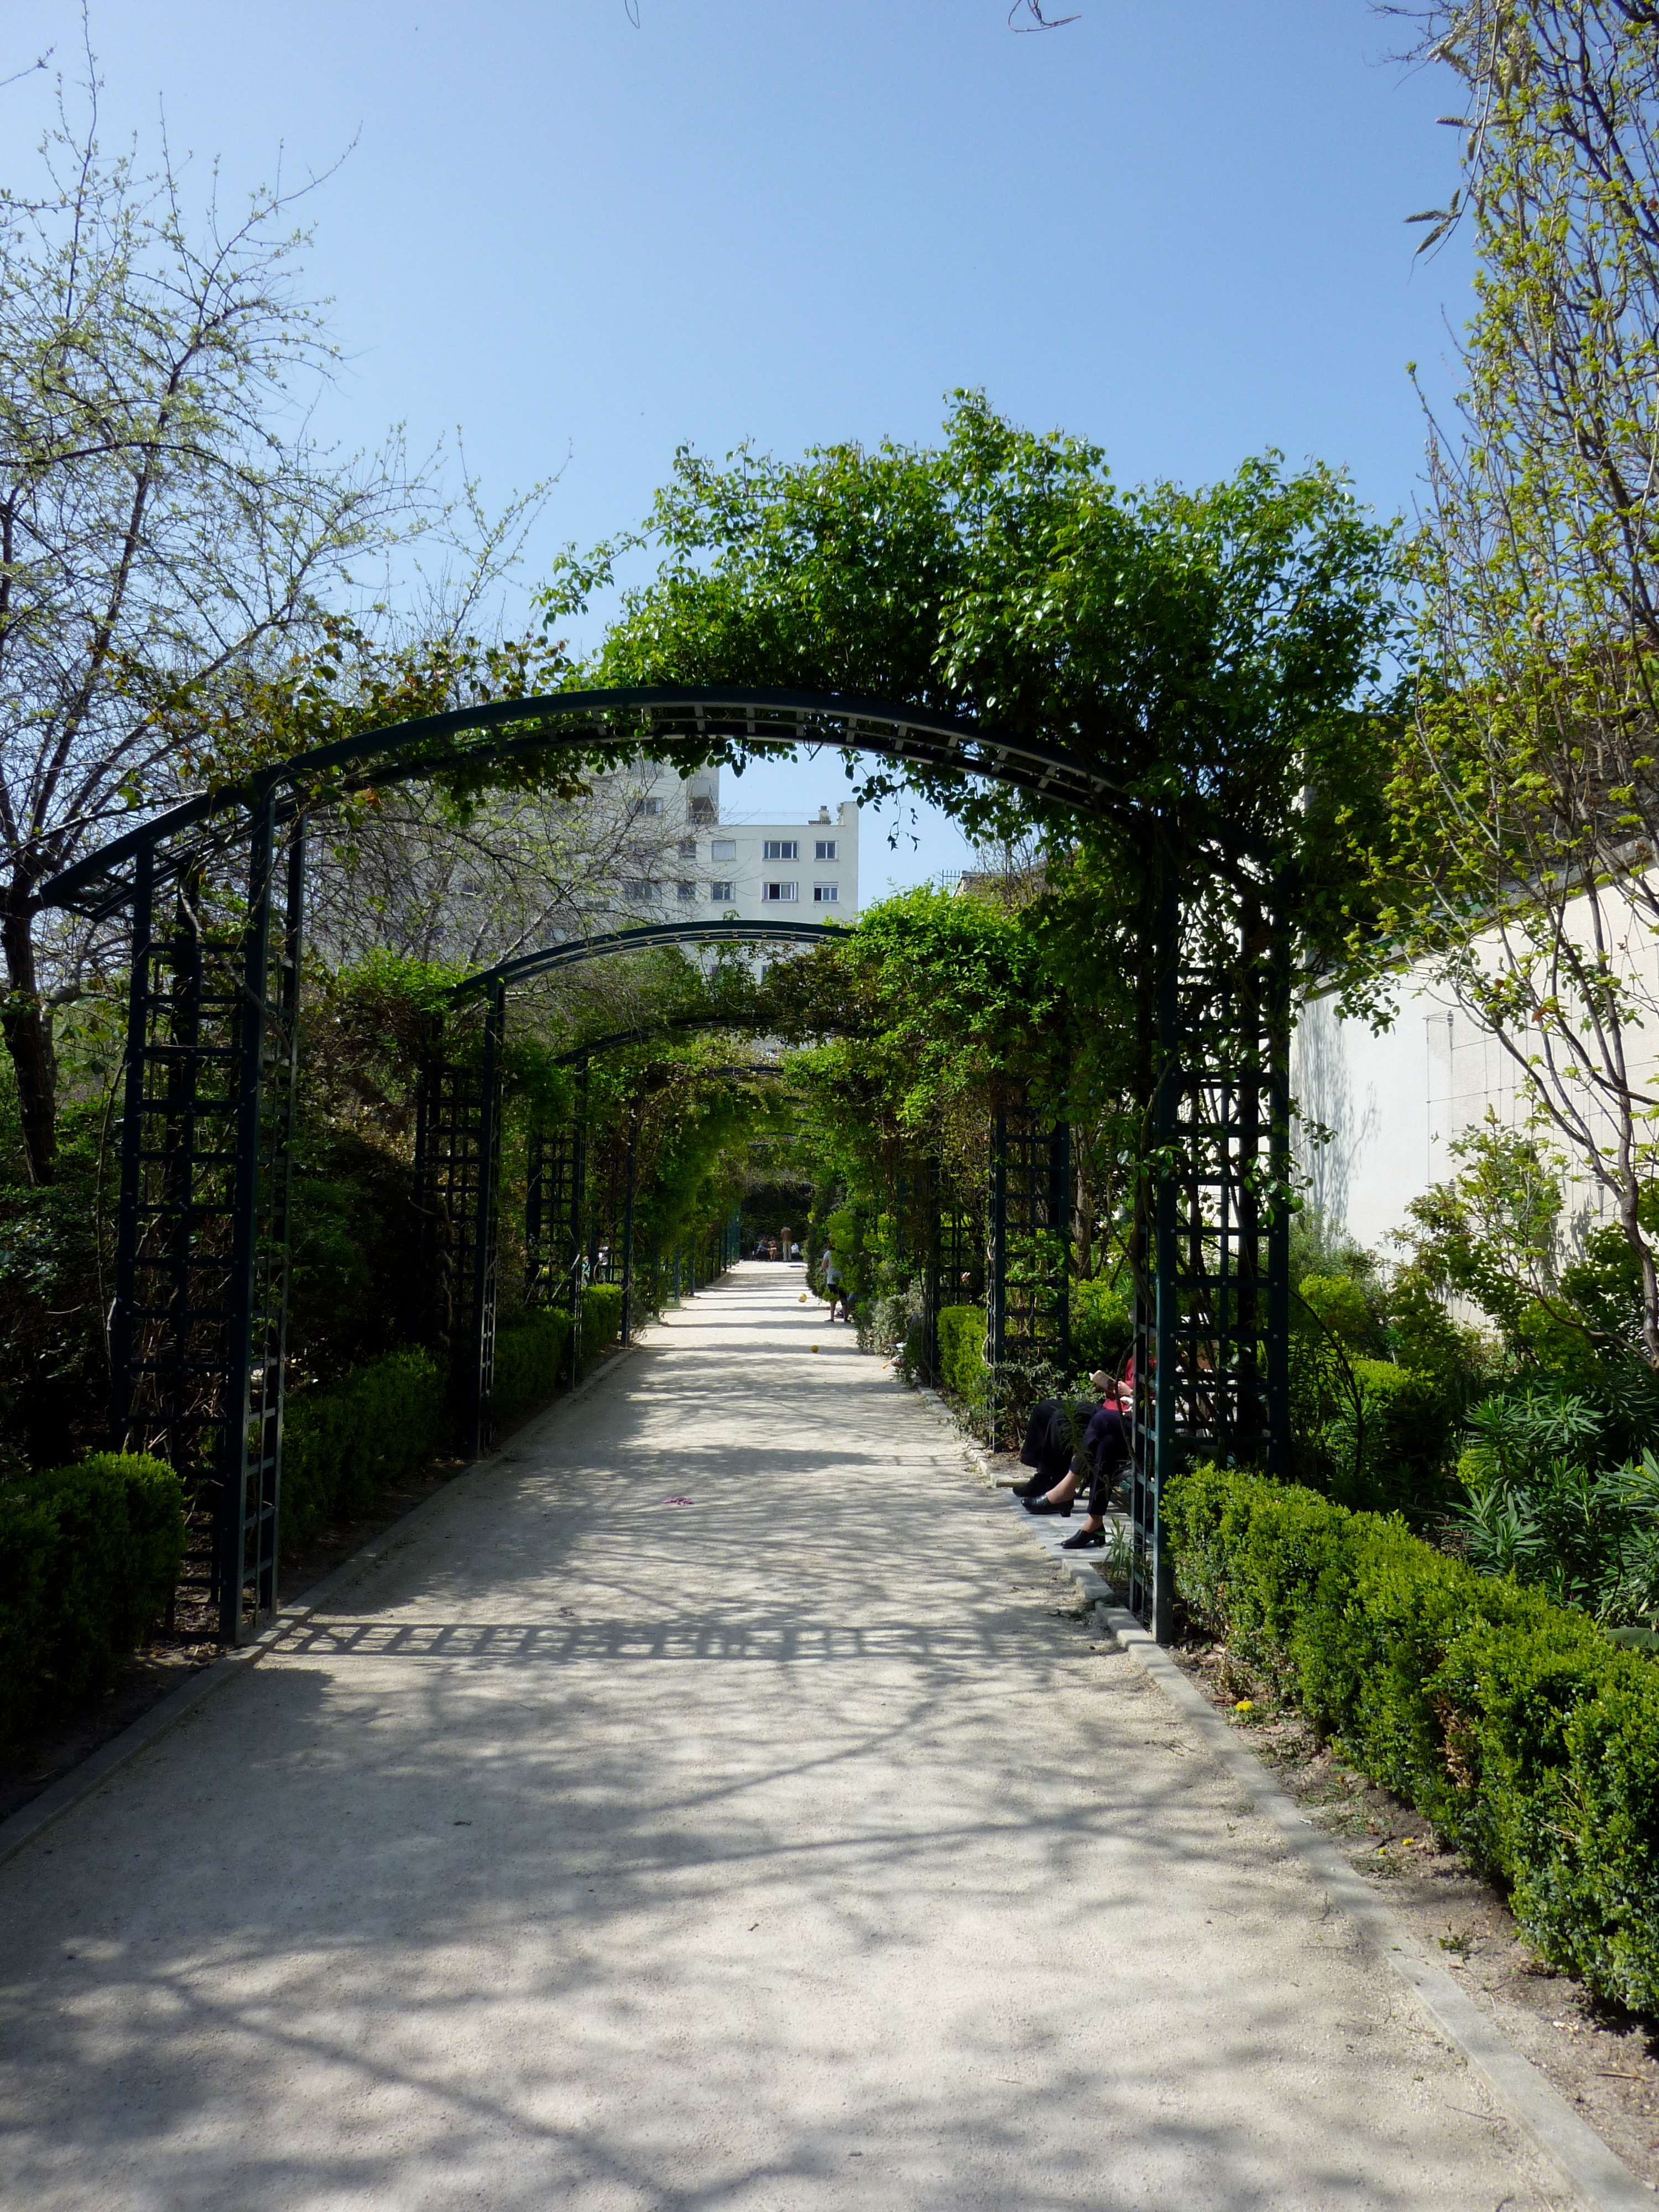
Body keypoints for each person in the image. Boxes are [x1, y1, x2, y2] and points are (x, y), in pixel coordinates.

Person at [1021, 1369, 1131, 1551]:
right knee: (1106, 1443)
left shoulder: (1164, 1364)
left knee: (1091, 1420)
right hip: (1112, 1409)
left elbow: (1158, 1403)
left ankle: (1064, 1489)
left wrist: (1130, 1393)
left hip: (1132, 1420)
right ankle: (1093, 1523)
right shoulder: (1137, 1359)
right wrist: (1112, 1388)